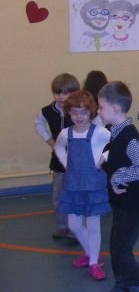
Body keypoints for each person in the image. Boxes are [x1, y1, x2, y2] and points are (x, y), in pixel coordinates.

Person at [97, 82, 139, 292]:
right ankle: (122, 286)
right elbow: (117, 154)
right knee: (116, 246)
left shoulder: (130, 137)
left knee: (121, 248)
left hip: (134, 204)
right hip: (122, 203)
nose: (98, 111)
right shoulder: (116, 132)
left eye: (101, 107)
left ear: (115, 109)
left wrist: (117, 176)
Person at [54, 90, 111, 280]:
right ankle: (90, 253)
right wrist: (66, 163)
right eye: (74, 112)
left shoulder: (99, 132)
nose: (78, 117)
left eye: (83, 112)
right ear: (69, 113)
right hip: (73, 184)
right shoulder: (65, 133)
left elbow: (116, 143)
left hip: (93, 183)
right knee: (74, 225)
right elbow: (58, 147)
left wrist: (103, 158)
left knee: (93, 225)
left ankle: (94, 262)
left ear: (91, 112)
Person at [34, 72, 80, 240]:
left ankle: (76, 229)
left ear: (75, 93)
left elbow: (96, 126)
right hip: (59, 163)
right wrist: (51, 142)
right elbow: (38, 124)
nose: (61, 96)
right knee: (59, 195)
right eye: (57, 92)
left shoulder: (79, 111)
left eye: (66, 93)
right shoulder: (48, 111)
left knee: (76, 195)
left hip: (77, 162)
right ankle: (62, 226)